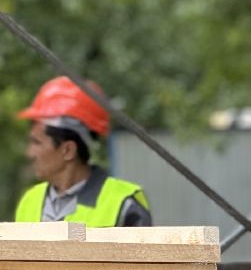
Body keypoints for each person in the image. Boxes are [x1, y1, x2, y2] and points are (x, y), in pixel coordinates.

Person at [14, 76, 152, 227]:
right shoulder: (30, 202)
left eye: (36, 143)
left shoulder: (122, 204)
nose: (29, 153)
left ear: (68, 150)